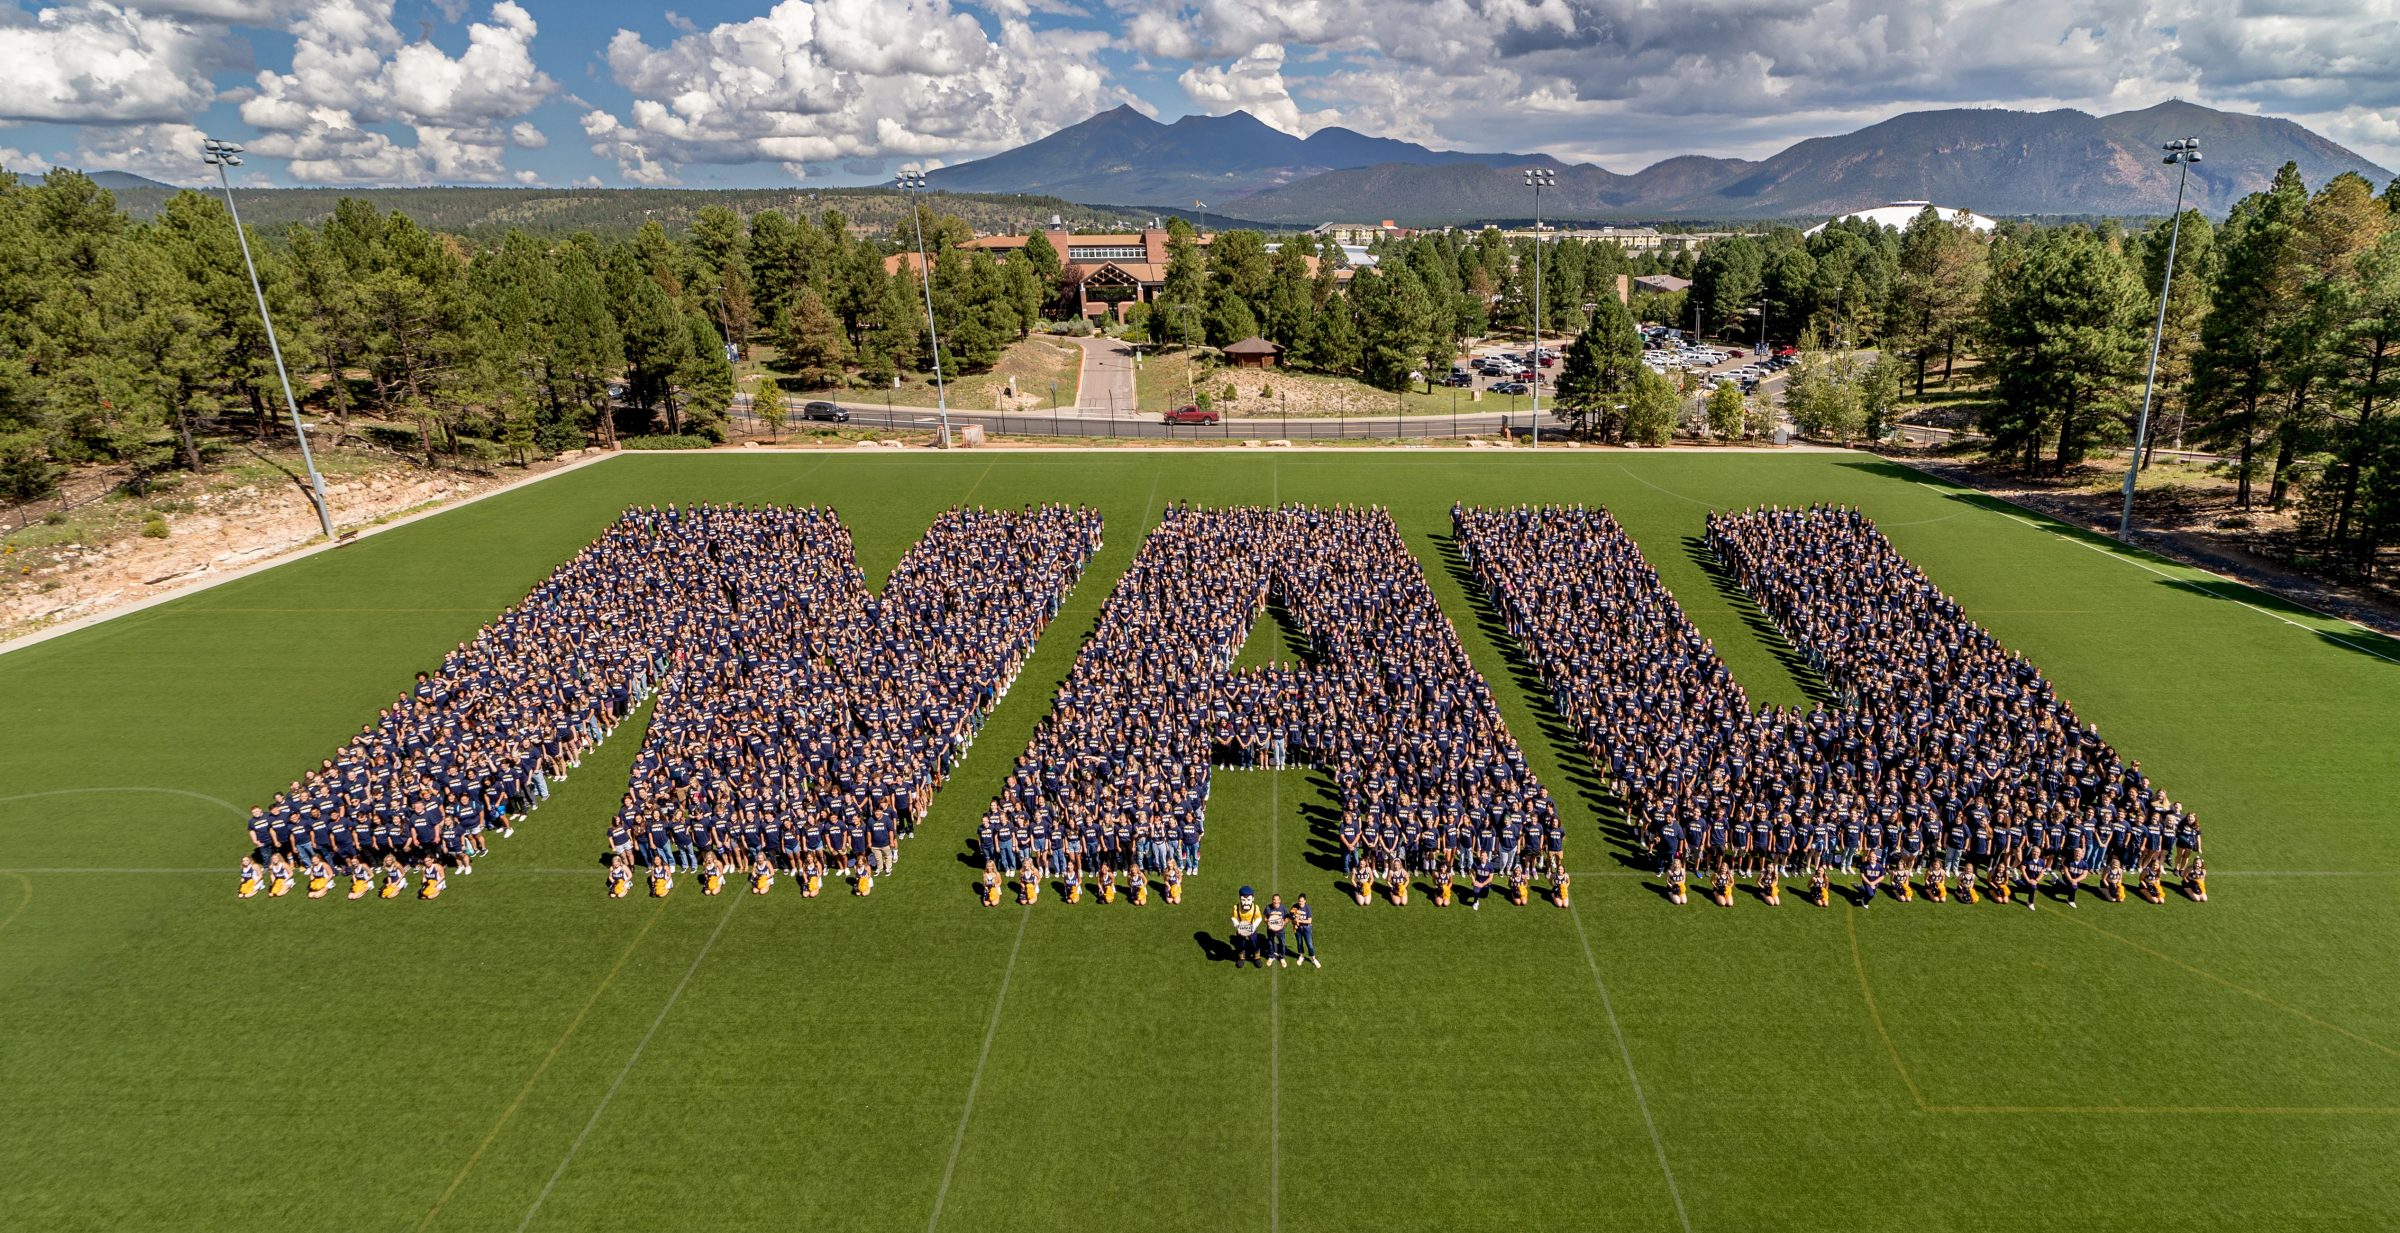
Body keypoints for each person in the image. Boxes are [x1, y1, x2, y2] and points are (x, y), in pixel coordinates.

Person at [1231, 887, 1264, 968]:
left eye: (1248, 899)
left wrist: (1254, 926)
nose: (1246, 903)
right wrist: (1237, 925)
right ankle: (1241, 957)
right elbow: (1233, 918)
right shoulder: (1236, 907)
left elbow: (1259, 918)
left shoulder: (1255, 908)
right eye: (1243, 900)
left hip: (1252, 928)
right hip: (1240, 929)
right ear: (1240, 898)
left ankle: (1257, 957)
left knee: (1254, 942)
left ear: (1253, 898)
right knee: (1240, 943)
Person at [1290, 895, 1319, 967]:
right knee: (1299, 943)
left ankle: (1313, 959)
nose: (1300, 902)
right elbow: (1291, 916)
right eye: (1299, 901)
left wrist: (1299, 920)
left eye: (1302, 901)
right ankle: (1301, 956)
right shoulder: (1294, 907)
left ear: (1305, 901)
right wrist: (1294, 921)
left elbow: (1309, 921)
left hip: (1306, 929)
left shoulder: (1307, 908)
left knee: (1309, 944)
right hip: (1298, 929)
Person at [1264, 894, 1288, 968]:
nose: (1275, 901)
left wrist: (1284, 923)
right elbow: (1265, 918)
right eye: (1274, 899)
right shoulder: (1268, 908)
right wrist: (1268, 922)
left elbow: (1287, 919)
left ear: (1280, 900)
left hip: (1281, 931)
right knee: (1270, 943)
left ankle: (1282, 957)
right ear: (1272, 900)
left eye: (1277, 899)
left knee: (1282, 944)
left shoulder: (1283, 908)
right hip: (1270, 930)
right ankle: (1271, 956)